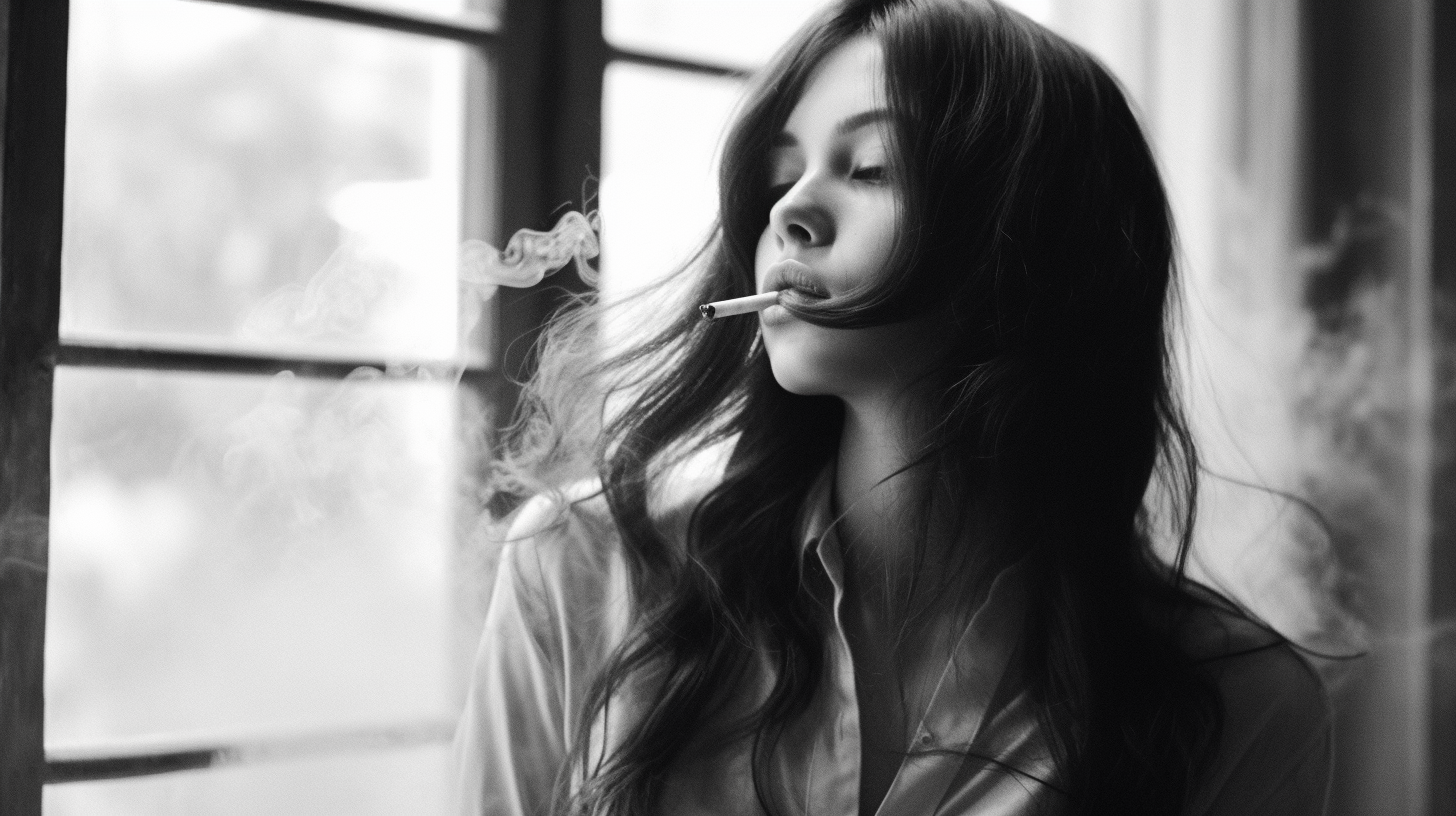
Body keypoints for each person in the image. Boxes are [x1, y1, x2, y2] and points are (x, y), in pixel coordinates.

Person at [454, 1, 1332, 813]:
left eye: (872, 167)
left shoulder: (1238, 701)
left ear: (1035, 243)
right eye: (780, 176)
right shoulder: (582, 570)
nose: (791, 210)